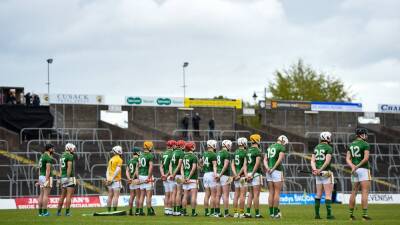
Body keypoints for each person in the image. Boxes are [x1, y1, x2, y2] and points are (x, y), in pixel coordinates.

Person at [346, 128, 372, 221]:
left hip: (354, 170)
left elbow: (347, 159)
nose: (366, 135)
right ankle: (364, 216)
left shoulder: (351, 144)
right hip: (363, 169)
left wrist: (353, 166)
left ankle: (351, 216)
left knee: (354, 192)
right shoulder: (365, 144)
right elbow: (366, 159)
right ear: (361, 135)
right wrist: (357, 166)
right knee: (364, 192)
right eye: (365, 134)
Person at [311, 132, 335, 220]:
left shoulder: (316, 147)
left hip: (318, 174)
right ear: (327, 137)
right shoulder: (329, 148)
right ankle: (329, 215)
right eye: (330, 137)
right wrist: (320, 170)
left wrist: (315, 170)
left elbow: (312, 161)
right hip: (326, 173)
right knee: (328, 194)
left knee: (318, 194)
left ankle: (317, 215)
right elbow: (327, 162)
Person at [264, 135, 288, 219]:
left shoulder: (270, 147)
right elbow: (279, 159)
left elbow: (265, 160)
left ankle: (271, 213)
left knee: (271, 192)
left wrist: (267, 168)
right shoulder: (281, 147)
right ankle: (275, 214)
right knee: (277, 192)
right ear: (283, 141)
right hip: (276, 171)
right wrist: (273, 168)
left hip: (268, 171)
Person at [245, 134, 263, 218]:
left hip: (248, 173)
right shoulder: (258, 151)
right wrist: (252, 174)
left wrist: (246, 175)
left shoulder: (248, 150)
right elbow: (257, 163)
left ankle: (248, 213)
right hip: (255, 174)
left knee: (250, 194)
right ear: (257, 140)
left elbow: (244, 164)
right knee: (256, 195)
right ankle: (257, 213)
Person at [57, 143, 77, 216]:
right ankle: (67, 212)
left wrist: (61, 177)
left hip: (63, 176)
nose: (74, 150)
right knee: (69, 195)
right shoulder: (70, 156)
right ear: (69, 148)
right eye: (73, 148)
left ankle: (58, 212)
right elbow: (69, 168)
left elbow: (60, 169)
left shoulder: (62, 156)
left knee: (62, 195)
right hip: (69, 177)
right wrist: (68, 178)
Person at [181, 141, 199, 217]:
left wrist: (183, 177)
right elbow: (194, 168)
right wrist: (188, 178)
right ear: (191, 147)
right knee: (193, 196)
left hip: (185, 178)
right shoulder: (194, 156)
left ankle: (184, 212)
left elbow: (181, 168)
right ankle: (193, 212)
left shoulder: (184, 156)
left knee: (185, 196)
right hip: (192, 178)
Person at [137, 141, 155, 216]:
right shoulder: (150, 155)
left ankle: (140, 211)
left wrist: (138, 177)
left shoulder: (140, 155)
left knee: (142, 195)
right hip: (146, 175)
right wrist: (149, 177)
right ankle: (149, 211)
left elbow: (138, 167)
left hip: (140, 175)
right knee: (148, 195)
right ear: (149, 147)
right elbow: (151, 167)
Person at [215, 140, 232, 217]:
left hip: (218, 174)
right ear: (227, 145)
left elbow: (215, 165)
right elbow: (225, 166)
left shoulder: (218, 153)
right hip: (224, 175)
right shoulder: (227, 153)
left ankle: (217, 212)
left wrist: (217, 175)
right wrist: (220, 175)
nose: (230, 147)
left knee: (218, 194)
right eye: (230, 145)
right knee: (225, 195)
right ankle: (226, 213)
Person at [232, 137, 248, 218]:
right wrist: (239, 174)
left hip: (236, 177)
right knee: (242, 195)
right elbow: (244, 165)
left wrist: (235, 174)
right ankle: (241, 213)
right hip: (242, 177)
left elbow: (232, 165)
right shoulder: (245, 152)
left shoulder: (235, 152)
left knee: (236, 195)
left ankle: (235, 213)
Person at [37, 144, 55, 216]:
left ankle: (40, 212)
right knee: (46, 195)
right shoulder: (48, 157)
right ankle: (45, 212)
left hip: (41, 176)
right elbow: (48, 170)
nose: (53, 150)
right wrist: (47, 179)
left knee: (41, 194)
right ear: (50, 149)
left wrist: (39, 179)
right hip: (46, 176)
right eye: (53, 149)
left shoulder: (41, 156)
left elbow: (39, 169)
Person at [201, 139, 218, 216]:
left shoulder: (204, 154)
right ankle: (212, 212)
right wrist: (216, 175)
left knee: (207, 194)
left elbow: (200, 162)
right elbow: (214, 165)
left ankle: (206, 211)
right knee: (213, 194)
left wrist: (202, 167)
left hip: (205, 174)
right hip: (211, 174)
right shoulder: (214, 154)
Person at [169, 140, 185, 216]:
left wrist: (171, 174)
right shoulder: (182, 153)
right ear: (182, 146)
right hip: (178, 175)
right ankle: (177, 211)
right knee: (179, 193)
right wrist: (174, 174)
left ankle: (173, 211)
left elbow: (170, 165)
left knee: (174, 193)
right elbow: (179, 165)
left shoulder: (173, 152)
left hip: (173, 175)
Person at [105, 145, 123, 212]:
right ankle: (115, 211)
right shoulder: (119, 159)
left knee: (110, 195)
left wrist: (108, 179)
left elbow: (107, 170)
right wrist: (112, 179)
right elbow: (117, 170)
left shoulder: (111, 159)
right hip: (115, 180)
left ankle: (108, 211)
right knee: (116, 196)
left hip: (109, 179)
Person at [161, 140, 176, 216]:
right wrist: (166, 175)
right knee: (171, 194)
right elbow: (171, 166)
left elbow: (161, 166)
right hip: (170, 175)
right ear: (172, 146)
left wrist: (163, 175)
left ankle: (166, 210)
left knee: (166, 194)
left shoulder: (163, 154)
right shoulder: (173, 154)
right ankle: (170, 210)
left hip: (164, 176)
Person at [126, 147, 140, 216]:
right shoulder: (138, 160)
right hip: (136, 179)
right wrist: (135, 178)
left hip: (131, 180)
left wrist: (129, 178)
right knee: (138, 196)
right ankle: (137, 211)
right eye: (139, 152)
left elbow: (127, 171)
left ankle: (130, 211)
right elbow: (137, 171)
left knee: (131, 196)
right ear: (137, 152)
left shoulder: (130, 161)